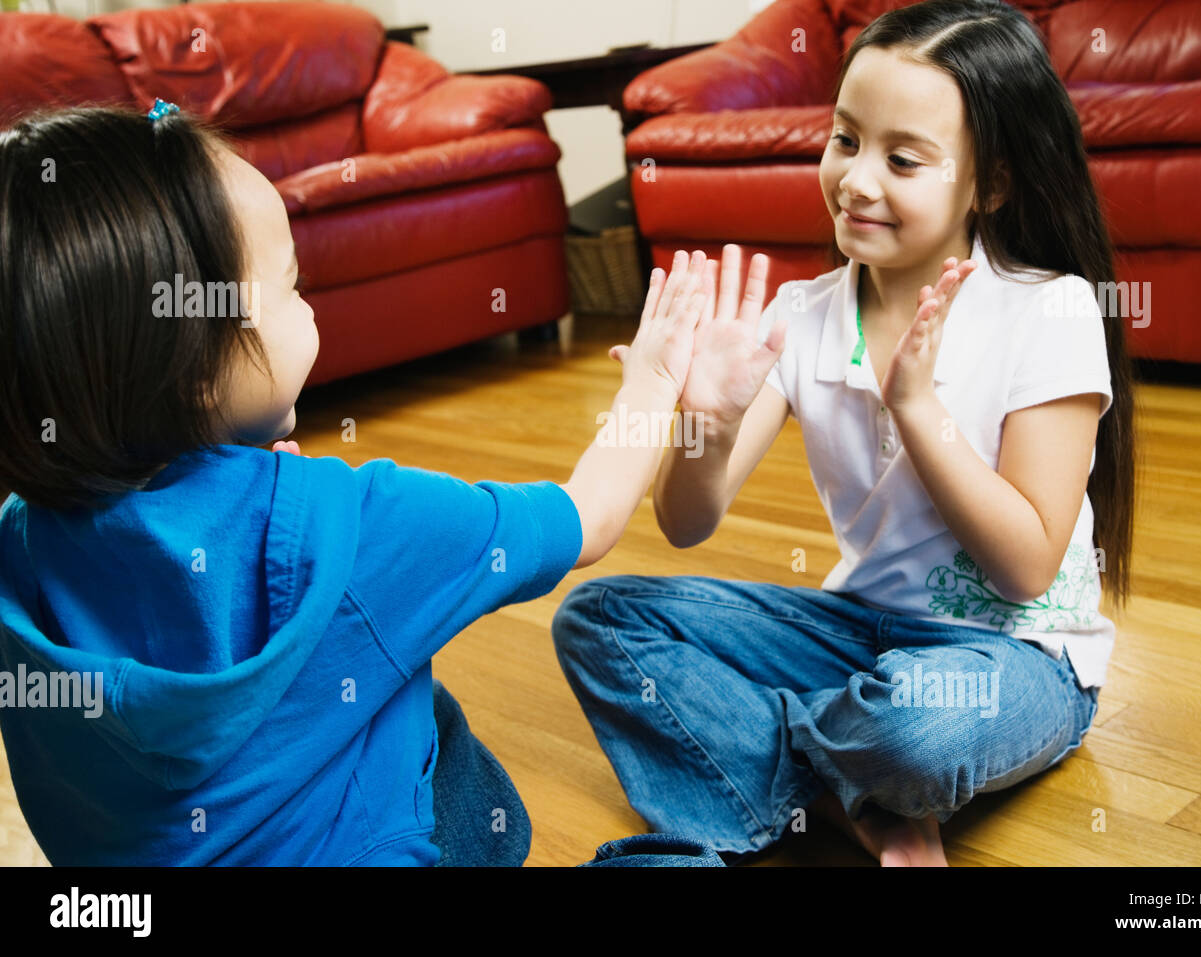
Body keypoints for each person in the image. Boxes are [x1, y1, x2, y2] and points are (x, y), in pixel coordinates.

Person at [0, 102, 753, 866]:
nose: (308, 301)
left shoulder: (18, 538)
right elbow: (587, 519)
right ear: (197, 364)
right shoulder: (355, 525)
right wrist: (653, 384)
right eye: (292, 285)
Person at [551, 0, 1136, 867]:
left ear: (992, 184)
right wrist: (703, 421)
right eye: (845, 140)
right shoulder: (804, 316)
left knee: (915, 729)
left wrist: (917, 407)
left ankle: (813, 773)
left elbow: (1027, 565)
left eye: (902, 158)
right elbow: (685, 521)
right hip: (856, 633)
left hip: (1014, 656)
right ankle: (858, 791)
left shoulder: (1049, 308)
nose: (858, 179)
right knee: (600, 622)